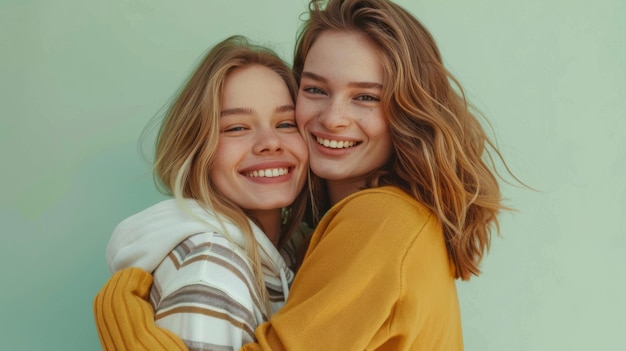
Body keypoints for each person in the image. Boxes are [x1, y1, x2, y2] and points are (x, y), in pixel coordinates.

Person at [94, 0, 516, 349]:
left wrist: (125, 327)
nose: (333, 118)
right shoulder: (325, 239)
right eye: (314, 89)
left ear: (407, 111)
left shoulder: (379, 220)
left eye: (366, 96)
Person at [93, 35, 311, 350]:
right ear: (198, 151)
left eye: (287, 123)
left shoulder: (292, 247)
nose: (270, 141)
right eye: (236, 127)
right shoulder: (213, 270)